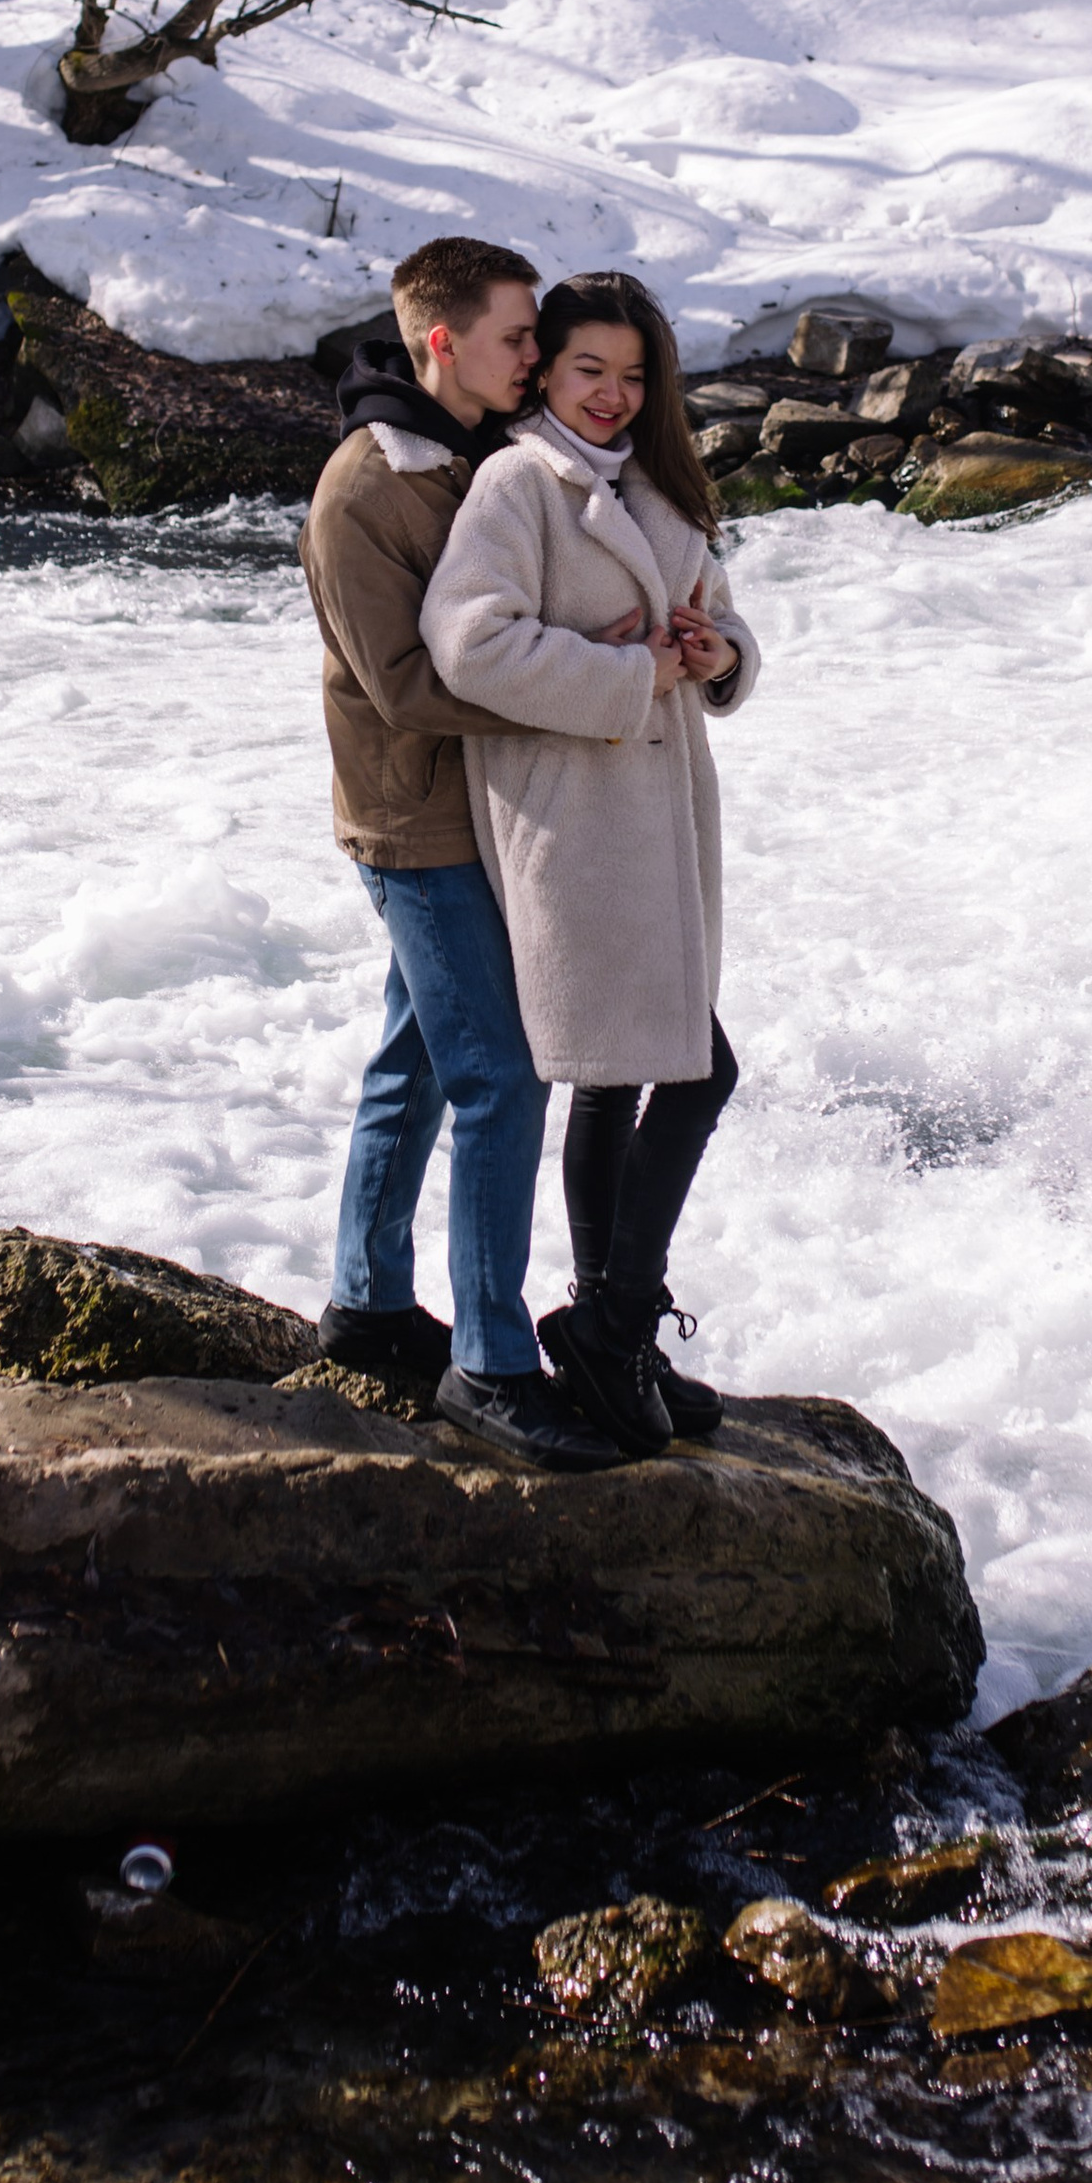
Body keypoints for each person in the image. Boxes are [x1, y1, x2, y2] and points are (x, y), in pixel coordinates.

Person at [419, 269, 759, 1457]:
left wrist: (717, 652)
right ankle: (611, 1321)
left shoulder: (657, 485)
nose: (612, 395)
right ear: (547, 373)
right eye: (586, 371)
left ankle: (609, 1331)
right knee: (692, 1071)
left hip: (656, 814)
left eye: (631, 374)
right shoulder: (519, 484)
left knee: (628, 1076)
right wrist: (630, 676)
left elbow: (713, 618)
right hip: (577, 825)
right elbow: (466, 645)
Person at [299, 234, 623, 1472]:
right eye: (516, 339)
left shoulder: (482, 454)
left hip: (477, 808)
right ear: (443, 342)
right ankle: (488, 1365)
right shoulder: (364, 492)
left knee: (418, 1064)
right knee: (500, 1077)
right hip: (412, 823)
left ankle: (365, 1306)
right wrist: (597, 692)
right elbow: (404, 686)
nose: (534, 358)